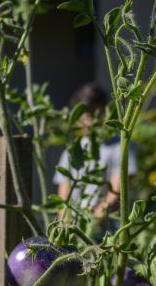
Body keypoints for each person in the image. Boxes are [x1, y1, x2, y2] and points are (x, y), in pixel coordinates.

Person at [53, 82, 137, 226]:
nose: (88, 119)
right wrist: (65, 221)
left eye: (92, 113)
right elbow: (63, 192)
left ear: (104, 112)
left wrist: (97, 217)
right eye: (83, 114)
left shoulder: (120, 144)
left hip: (105, 228)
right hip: (73, 225)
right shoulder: (72, 149)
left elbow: (120, 186)